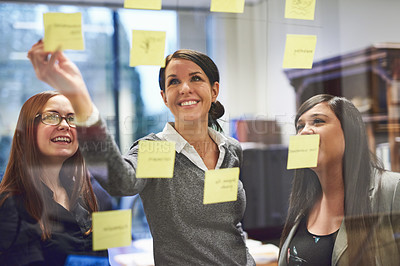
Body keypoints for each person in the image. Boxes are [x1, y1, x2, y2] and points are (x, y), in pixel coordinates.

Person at [28, 40, 256, 265]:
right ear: (165, 97)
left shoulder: (231, 149)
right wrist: (78, 98)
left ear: (214, 90)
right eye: (174, 81)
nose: (185, 88)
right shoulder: (158, 150)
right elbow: (119, 182)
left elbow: (231, 224)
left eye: (195, 78)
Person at [278, 94, 400, 266]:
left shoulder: (393, 188)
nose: (304, 131)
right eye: (300, 126)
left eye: (318, 121)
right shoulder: (304, 203)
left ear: (349, 132)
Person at [0, 91, 109, 265]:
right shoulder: (13, 204)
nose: (65, 125)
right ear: (28, 129)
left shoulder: (82, 198)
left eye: (72, 119)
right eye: (52, 117)